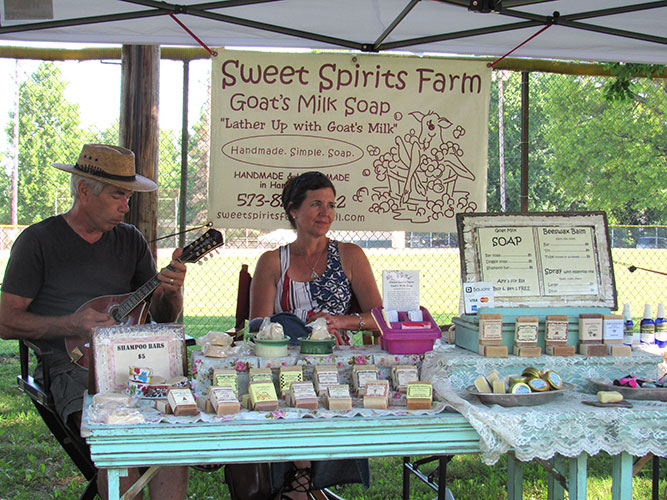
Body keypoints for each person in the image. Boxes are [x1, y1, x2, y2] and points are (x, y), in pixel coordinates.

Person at [0, 144, 189, 500]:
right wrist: (71, 325)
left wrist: (171, 291)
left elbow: (161, 316)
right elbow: (6, 322)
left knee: (172, 440)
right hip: (70, 367)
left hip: (135, 361)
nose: (126, 206)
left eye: (128, 197)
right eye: (119, 195)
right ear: (84, 191)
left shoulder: (130, 240)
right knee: (119, 444)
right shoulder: (38, 242)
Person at [249, 170, 382, 499]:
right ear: (293, 210)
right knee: (284, 389)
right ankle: (304, 483)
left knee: (328, 387)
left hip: (337, 364)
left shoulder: (350, 255)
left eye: (331, 205)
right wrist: (290, 330)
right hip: (285, 364)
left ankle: (300, 485)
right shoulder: (271, 261)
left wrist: (342, 322)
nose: (326, 213)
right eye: (316, 204)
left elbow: (380, 319)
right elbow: (257, 327)